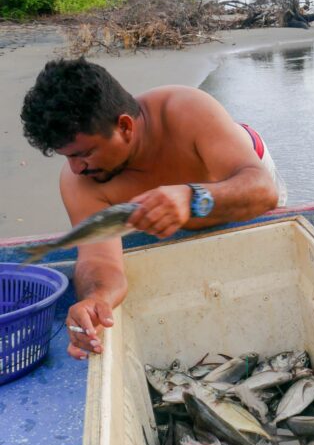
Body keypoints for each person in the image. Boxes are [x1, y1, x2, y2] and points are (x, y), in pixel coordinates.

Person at [21, 58, 287, 360]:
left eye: (85, 153)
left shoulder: (187, 109)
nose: (76, 168)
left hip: (238, 160)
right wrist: (97, 299)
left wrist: (192, 198)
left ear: (124, 126)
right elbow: (99, 260)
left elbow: (264, 192)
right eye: (67, 157)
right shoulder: (79, 180)